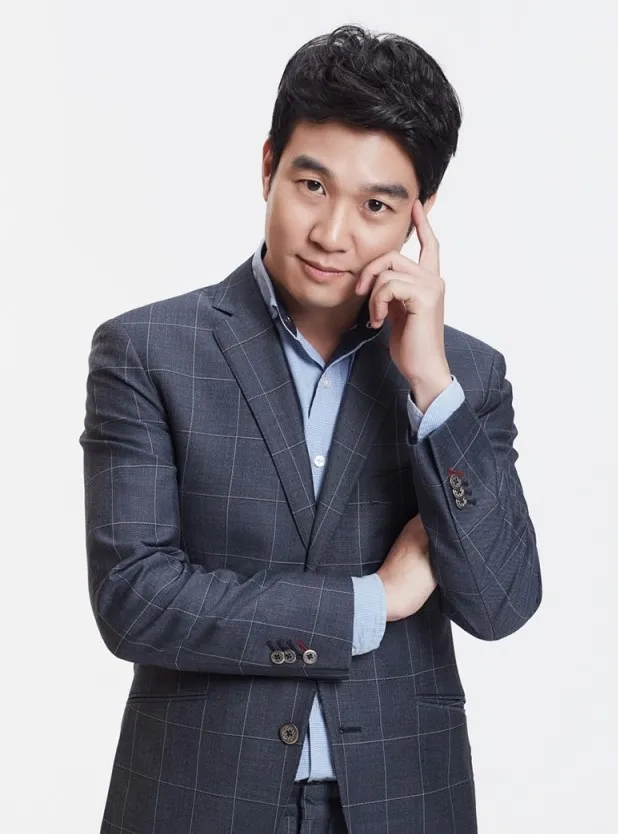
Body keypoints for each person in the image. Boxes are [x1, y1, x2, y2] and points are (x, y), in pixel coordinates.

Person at [79, 24, 542, 834]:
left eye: (375, 206)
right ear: (268, 167)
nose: (332, 234)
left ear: (420, 216)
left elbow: (501, 602)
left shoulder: (464, 376)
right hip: (198, 799)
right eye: (311, 185)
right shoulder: (149, 352)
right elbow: (135, 599)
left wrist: (431, 388)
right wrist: (373, 601)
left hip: (406, 801)